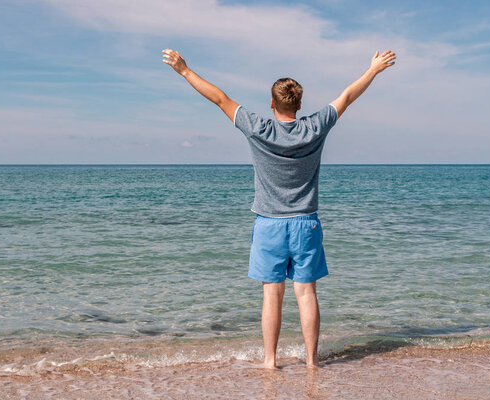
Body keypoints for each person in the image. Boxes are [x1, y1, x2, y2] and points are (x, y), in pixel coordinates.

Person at [162, 48, 396, 369]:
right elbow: (348, 96)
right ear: (299, 105)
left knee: (272, 296)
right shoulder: (315, 126)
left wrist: (184, 70)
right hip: (305, 224)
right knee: (306, 294)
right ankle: (312, 363)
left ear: (272, 104)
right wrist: (373, 69)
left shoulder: (258, 127)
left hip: (269, 225)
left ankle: (270, 362)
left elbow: (219, 98)